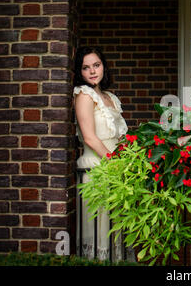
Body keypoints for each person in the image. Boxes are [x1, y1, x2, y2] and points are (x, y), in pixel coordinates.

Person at [73, 46, 132, 261]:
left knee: (116, 229)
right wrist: (114, 162)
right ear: (79, 72)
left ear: (103, 66)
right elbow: (89, 137)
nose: (92, 71)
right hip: (96, 166)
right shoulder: (83, 95)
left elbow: (121, 138)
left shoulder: (110, 97)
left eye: (96, 65)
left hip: (115, 168)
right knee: (99, 231)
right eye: (85, 67)